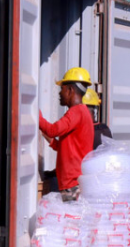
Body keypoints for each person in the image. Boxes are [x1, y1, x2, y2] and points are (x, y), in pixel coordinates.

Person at [39, 68, 95, 201]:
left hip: (72, 183)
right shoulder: (82, 113)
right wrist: (47, 137)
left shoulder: (76, 112)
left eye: (62, 89)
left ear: (70, 90)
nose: (59, 93)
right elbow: (67, 147)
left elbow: (53, 130)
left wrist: (36, 115)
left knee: (72, 220)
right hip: (73, 182)